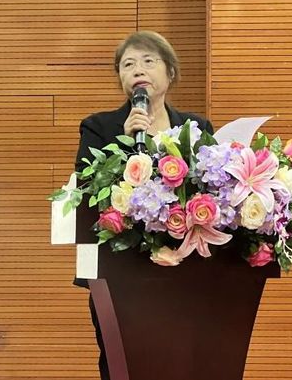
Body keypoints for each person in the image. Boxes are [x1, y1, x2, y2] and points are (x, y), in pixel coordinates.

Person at [73, 30, 213, 380]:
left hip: (187, 270)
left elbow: (212, 191)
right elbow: (86, 191)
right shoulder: (99, 127)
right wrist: (125, 142)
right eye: (128, 64)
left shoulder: (197, 127)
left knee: (186, 361)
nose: (138, 69)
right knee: (123, 364)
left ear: (170, 72)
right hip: (120, 270)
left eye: (149, 61)